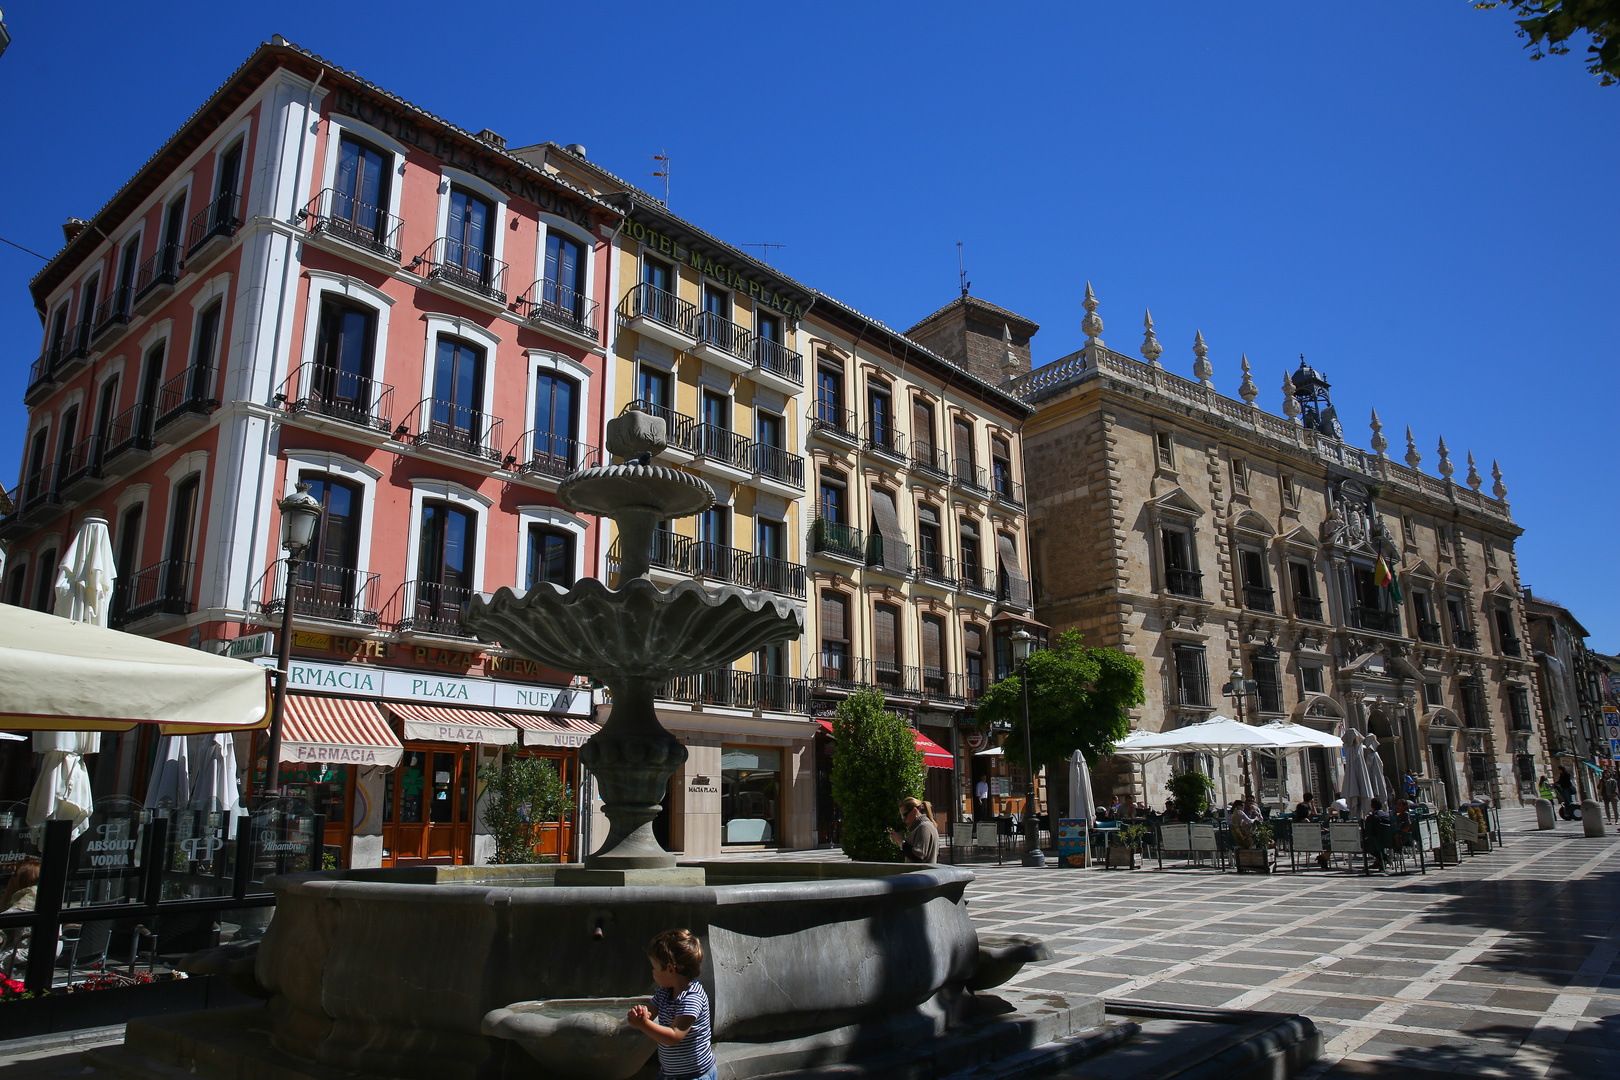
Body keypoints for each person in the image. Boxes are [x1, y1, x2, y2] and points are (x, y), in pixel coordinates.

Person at [628, 929, 716, 1080]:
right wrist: (643, 1013)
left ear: (670, 969)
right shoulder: (665, 992)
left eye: (654, 968)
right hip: (670, 1073)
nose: (652, 973)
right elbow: (652, 1010)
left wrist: (643, 1024)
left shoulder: (692, 998)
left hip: (695, 1076)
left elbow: (674, 1037)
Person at [0, 857, 42, 978]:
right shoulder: (30, 892)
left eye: (16, 875)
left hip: (30, 949)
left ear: (26, 877)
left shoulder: (31, 895)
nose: (12, 878)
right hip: (34, 946)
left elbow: (5, 918)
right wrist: (8, 890)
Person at [886, 797, 939, 864]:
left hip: (921, 873)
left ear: (915, 810)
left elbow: (918, 857)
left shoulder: (924, 827)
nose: (903, 820)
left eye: (904, 816)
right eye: (901, 817)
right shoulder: (922, 827)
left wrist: (901, 842)